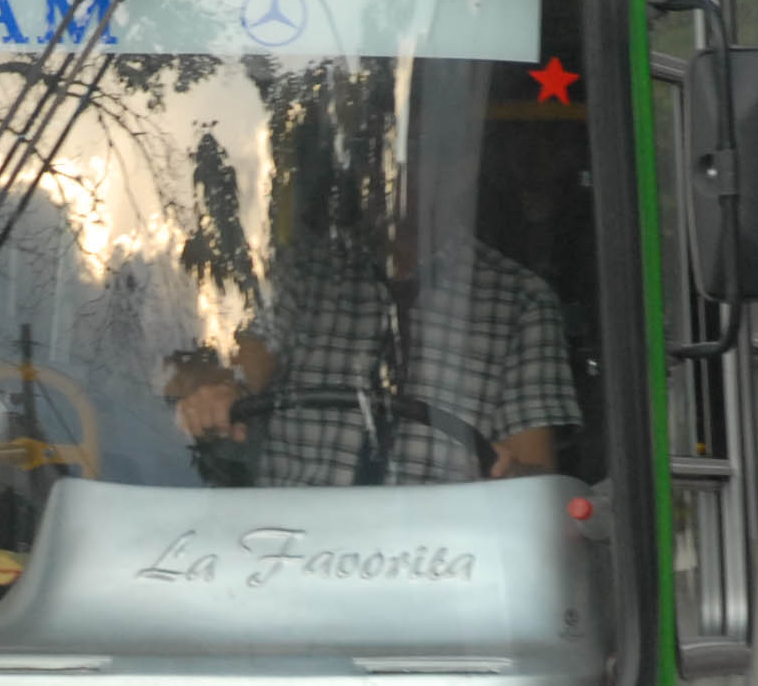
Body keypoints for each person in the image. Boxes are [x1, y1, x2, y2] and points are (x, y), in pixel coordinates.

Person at [167, 194, 578, 486]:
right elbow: (246, 365)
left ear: (462, 152)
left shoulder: (520, 300)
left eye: (425, 145)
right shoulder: (303, 271)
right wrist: (220, 392)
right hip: (282, 547)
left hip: (438, 564)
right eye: (395, 142)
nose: (405, 166)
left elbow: (533, 477)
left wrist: (511, 473)